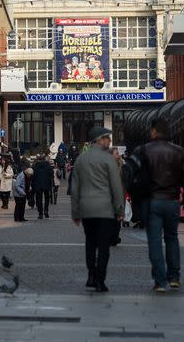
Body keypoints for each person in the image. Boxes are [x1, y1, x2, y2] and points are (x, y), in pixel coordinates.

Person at [141, 117, 184, 293]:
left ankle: (160, 280)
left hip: (153, 200)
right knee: (172, 237)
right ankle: (174, 277)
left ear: (154, 131)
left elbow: (136, 178)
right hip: (172, 200)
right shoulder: (179, 151)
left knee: (154, 241)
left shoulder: (145, 150)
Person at [70, 126, 125, 293]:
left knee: (90, 243)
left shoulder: (81, 159)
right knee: (103, 246)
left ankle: (91, 276)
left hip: (86, 209)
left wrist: (75, 211)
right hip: (105, 209)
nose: (109, 141)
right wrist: (119, 208)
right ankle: (100, 280)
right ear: (99, 140)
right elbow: (116, 186)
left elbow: (75, 188)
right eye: (107, 138)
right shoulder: (108, 159)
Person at [110, 147, 125, 246]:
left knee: (117, 218)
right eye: (116, 153)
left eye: (118, 153)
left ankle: (115, 237)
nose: (119, 155)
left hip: (119, 194)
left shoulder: (122, 165)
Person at [32, 155, 54, 219]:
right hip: (47, 185)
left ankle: (40, 213)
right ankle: (46, 210)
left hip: (38, 185)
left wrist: (33, 185)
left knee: (39, 199)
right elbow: (51, 176)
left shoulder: (35, 167)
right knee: (47, 198)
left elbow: (33, 177)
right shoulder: (49, 167)